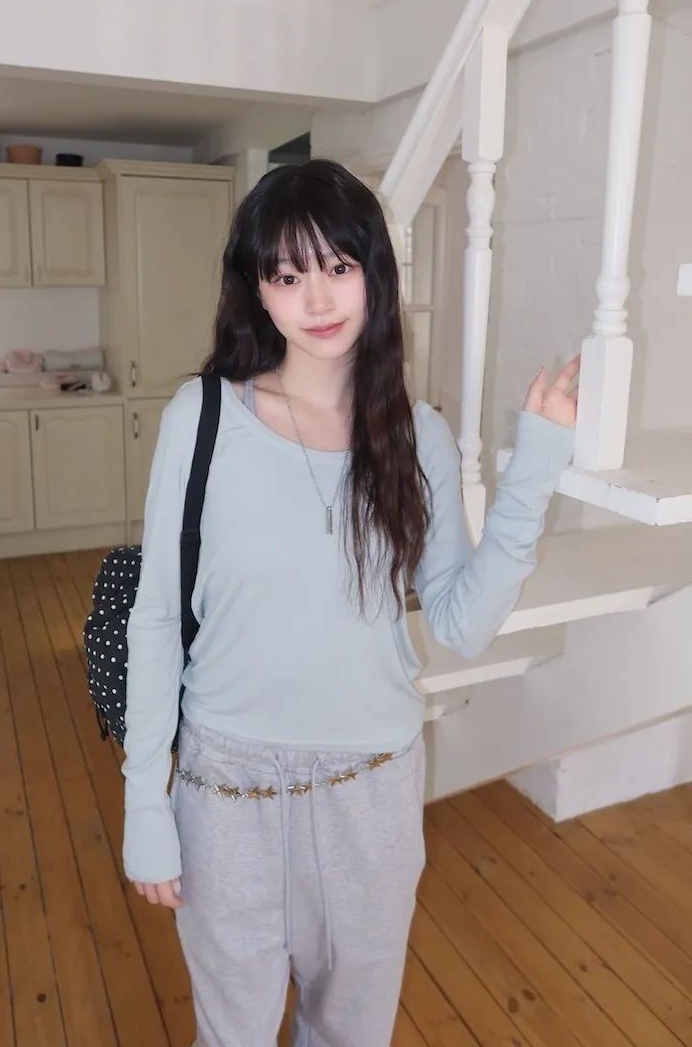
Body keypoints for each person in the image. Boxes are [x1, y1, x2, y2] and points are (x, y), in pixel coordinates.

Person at [121, 159, 579, 1047]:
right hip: (226, 785)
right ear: (257, 290)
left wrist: (535, 468)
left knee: (351, 1033)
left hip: (370, 786)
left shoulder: (417, 436)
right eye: (288, 275)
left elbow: (461, 623)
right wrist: (146, 803)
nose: (318, 298)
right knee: (234, 1033)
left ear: (374, 272)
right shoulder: (202, 419)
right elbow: (157, 617)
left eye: (337, 266)